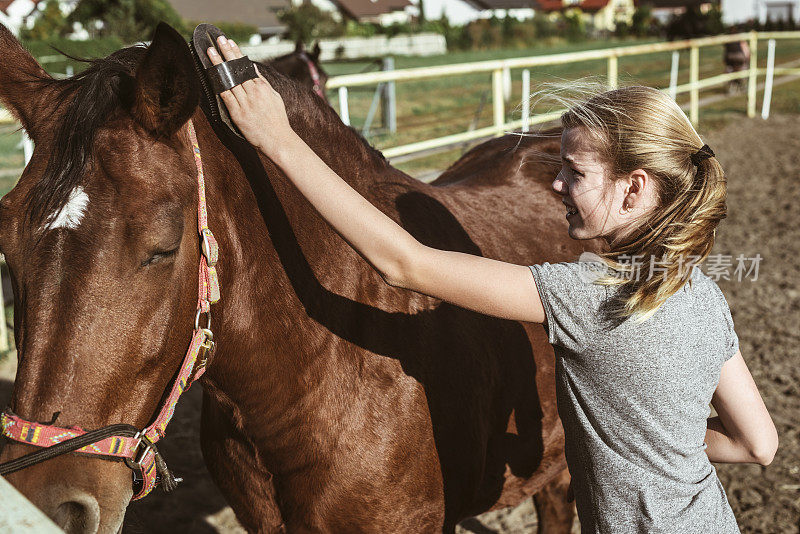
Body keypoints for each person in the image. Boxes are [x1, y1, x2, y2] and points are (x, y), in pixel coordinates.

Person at [205, 37, 778, 533]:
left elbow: (407, 264)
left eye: (574, 173)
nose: (555, 185)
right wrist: (657, 443)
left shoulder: (586, 297)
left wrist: (279, 140)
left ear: (634, 190)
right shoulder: (703, 292)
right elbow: (759, 445)